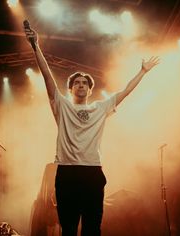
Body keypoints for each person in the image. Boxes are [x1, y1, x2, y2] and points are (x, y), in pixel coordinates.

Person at [24, 24, 159, 236]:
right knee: (68, 229)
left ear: (89, 89)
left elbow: (125, 92)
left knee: (92, 229)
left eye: (84, 83)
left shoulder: (100, 107)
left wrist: (142, 71)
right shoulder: (61, 105)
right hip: (67, 173)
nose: (80, 85)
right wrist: (36, 46)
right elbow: (47, 76)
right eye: (76, 82)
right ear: (70, 88)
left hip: (92, 172)